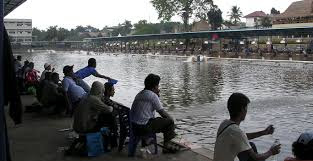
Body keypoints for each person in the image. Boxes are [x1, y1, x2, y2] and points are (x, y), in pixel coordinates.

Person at [213, 93, 281, 161]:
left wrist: (264, 132)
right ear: (243, 109)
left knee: (250, 145)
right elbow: (257, 158)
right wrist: (271, 151)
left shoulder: (224, 123)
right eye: (246, 108)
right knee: (251, 149)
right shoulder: (237, 132)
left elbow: (243, 137)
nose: (246, 111)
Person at [130, 74, 176, 152]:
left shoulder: (140, 93)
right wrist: (172, 121)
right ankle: (166, 146)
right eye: (158, 85)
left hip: (133, 126)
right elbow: (162, 113)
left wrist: (157, 95)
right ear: (155, 86)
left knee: (154, 120)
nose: (158, 87)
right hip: (143, 128)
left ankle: (146, 141)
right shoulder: (152, 96)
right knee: (170, 122)